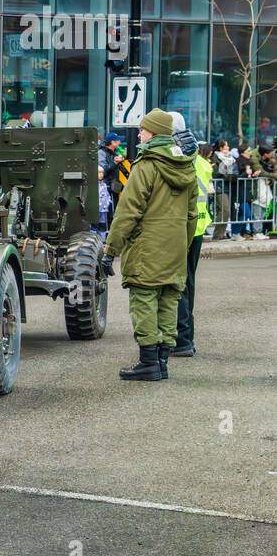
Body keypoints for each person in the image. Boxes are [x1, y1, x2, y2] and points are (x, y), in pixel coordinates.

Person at [102, 109, 198, 382]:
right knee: (169, 300)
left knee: (144, 299)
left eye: (144, 130)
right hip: (176, 246)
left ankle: (148, 362)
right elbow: (192, 215)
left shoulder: (146, 166)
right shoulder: (187, 166)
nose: (140, 134)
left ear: (153, 133)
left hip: (147, 248)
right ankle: (163, 362)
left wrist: (111, 250)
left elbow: (128, 211)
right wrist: (183, 243)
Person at [168, 114, 210, 360]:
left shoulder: (178, 158)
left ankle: (182, 339)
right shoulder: (200, 160)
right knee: (188, 284)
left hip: (182, 228)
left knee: (177, 284)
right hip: (199, 227)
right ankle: (187, 337)